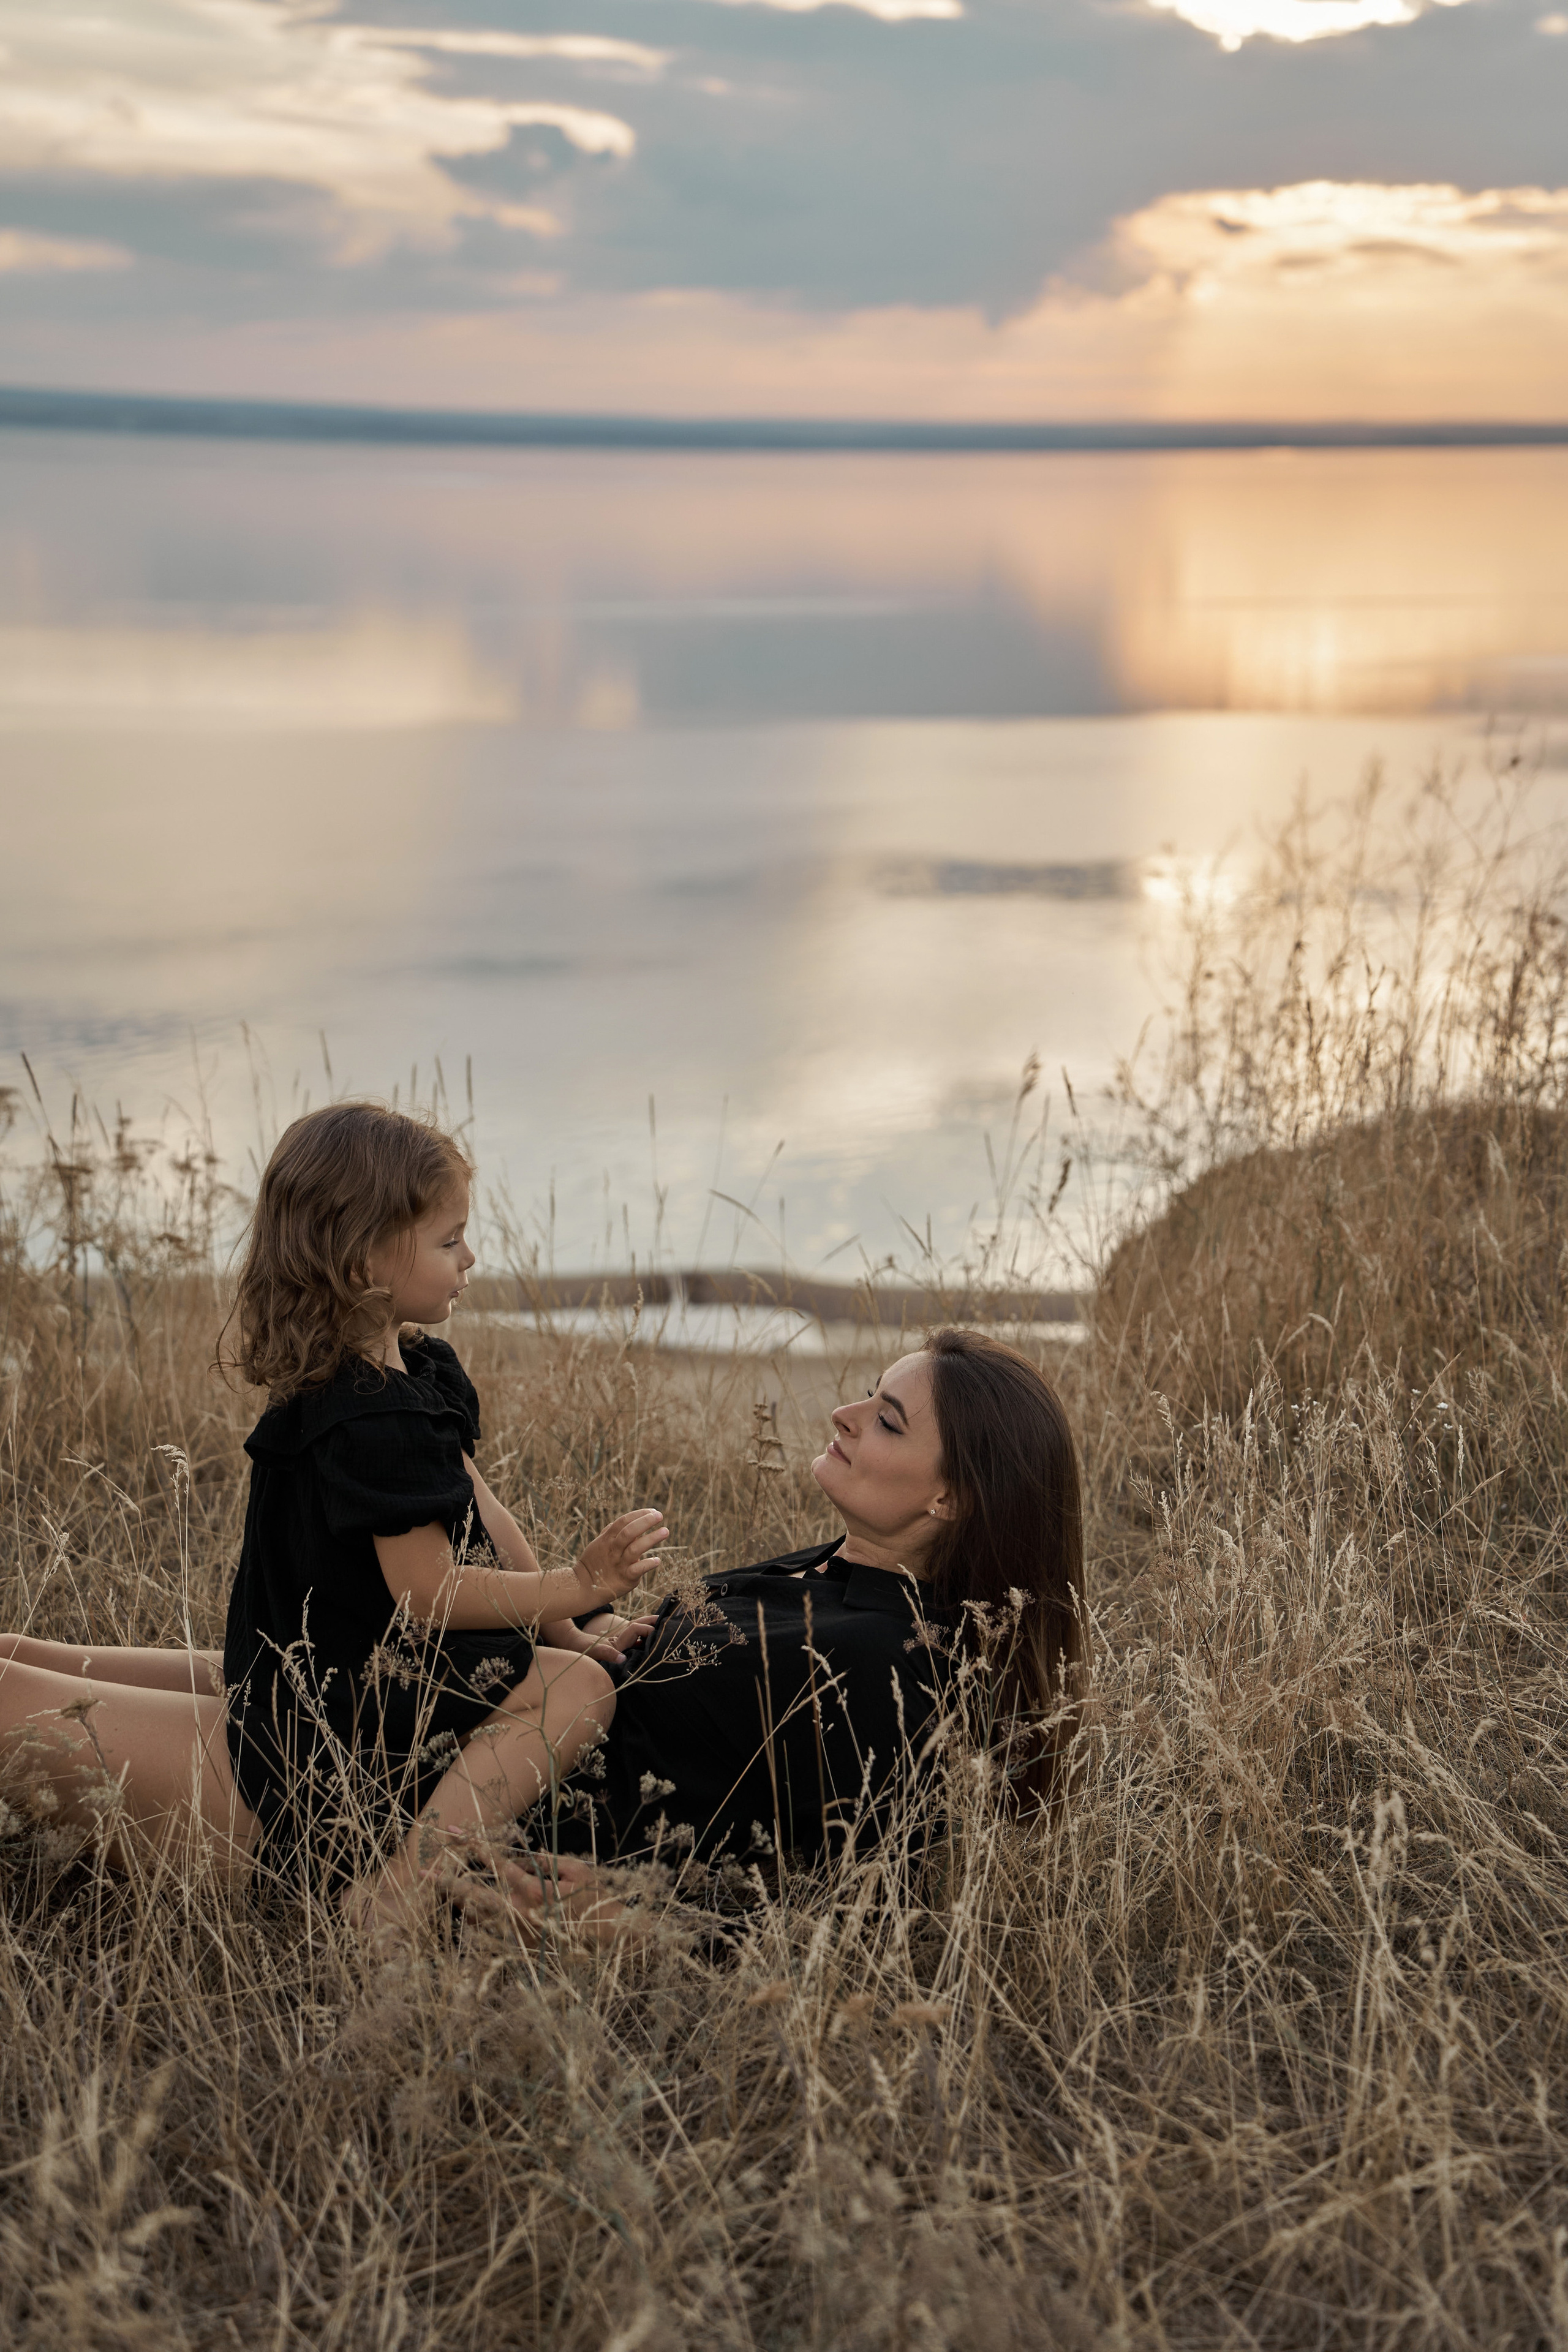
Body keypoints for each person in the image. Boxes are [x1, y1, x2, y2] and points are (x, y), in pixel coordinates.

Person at [0, 1102, 669, 1928]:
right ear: (365, 1265)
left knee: (577, 1675)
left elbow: (483, 1510)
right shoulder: (366, 1414)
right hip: (322, 1717)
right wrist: (575, 1585)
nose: (472, 1257)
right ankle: (391, 1889)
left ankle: (399, 1885)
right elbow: (427, 1592)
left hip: (329, 1695)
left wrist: (571, 1625)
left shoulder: (420, 1372)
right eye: (449, 1240)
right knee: (9, 1660)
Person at [556, 1322, 1087, 1872]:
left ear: (949, 1497)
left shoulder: (884, 1667)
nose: (844, 1414)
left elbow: (851, 1900)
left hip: (526, 1813)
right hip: (534, 1712)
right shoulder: (836, 1562)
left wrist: (630, 1915)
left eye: (886, 1421)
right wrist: (594, 1624)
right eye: (870, 1392)